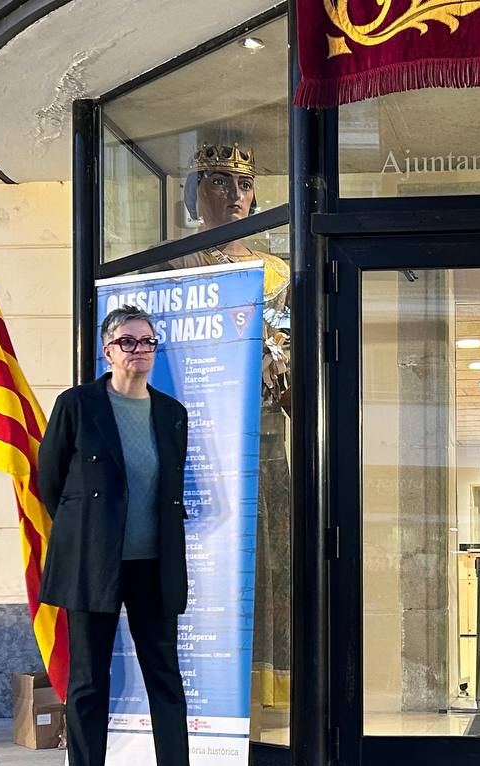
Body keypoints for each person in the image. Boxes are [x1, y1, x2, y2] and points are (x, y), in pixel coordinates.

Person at [38, 305, 205, 766]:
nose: (140, 350)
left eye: (148, 341)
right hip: (94, 562)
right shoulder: (78, 405)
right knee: (89, 678)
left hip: (154, 563)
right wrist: (89, 531)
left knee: (165, 674)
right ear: (108, 350)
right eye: (129, 341)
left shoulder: (171, 413)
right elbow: (50, 481)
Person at [173, 143, 292, 723]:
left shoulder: (277, 274)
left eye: (244, 184)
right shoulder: (176, 269)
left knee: (272, 552)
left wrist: (280, 364)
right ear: (196, 191)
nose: (236, 196)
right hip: (198, 433)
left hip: (263, 429)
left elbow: (290, 351)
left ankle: (268, 679)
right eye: (220, 183)